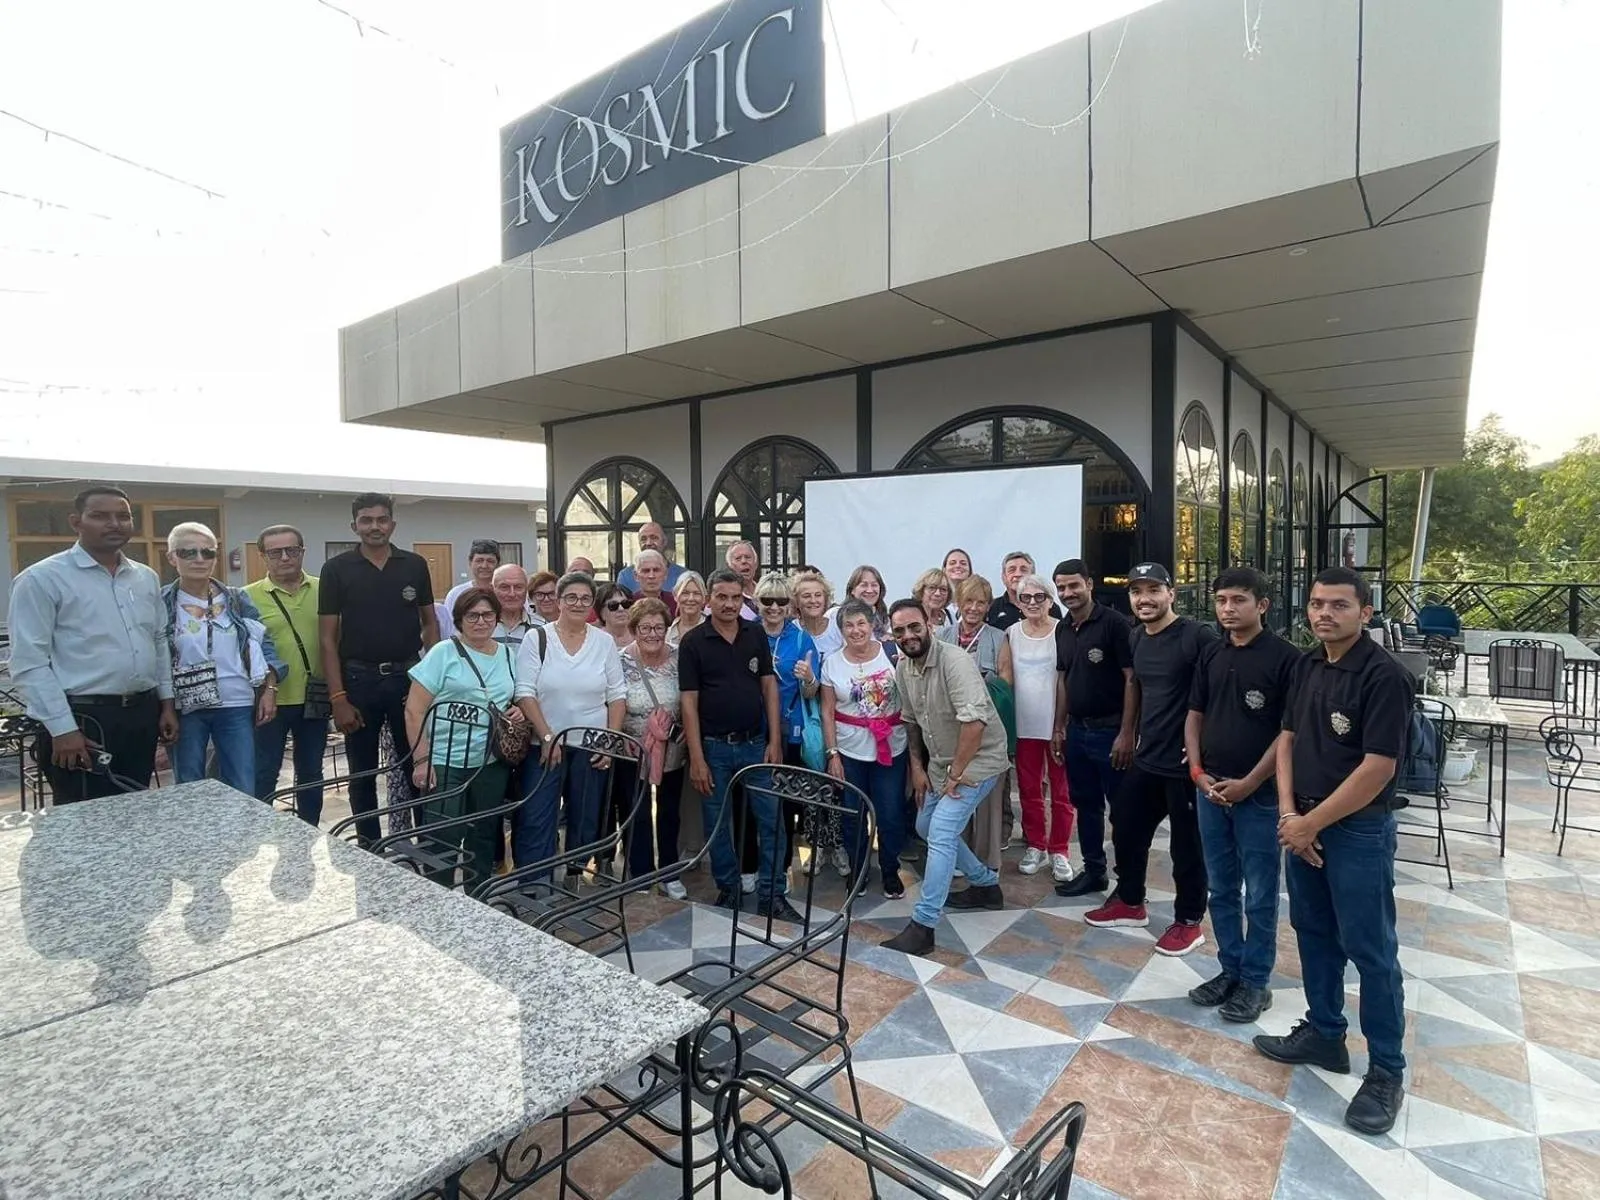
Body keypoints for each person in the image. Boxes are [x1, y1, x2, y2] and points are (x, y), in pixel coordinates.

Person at [1253, 567, 1414, 1137]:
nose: (1324, 613)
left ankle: (1387, 1072)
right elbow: (1289, 739)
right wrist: (1291, 813)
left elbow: (1379, 768)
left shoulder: (1383, 676)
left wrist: (1310, 822)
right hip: (1306, 822)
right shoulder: (1308, 664)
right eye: (1318, 604)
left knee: (1371, 950)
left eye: (1339, 605)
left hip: (1357, 832)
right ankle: (1325, 1033)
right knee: (1314, 933)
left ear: (1365, 613)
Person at [9, 485, 178, 802]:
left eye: (123, 516)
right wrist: (62, 729)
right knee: (83, 824)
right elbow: (29, 663)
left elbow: (157, 640)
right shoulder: (41, 580)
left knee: (136, 810)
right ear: (76, 522)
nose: (114, 524)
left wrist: (166, 703)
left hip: (140, 716)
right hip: (83, 721)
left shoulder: (145, 578)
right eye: (100, 516)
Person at [1183, 567, 1300, 1024]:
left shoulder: (1285, 659)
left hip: (1260, 795)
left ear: (1262, 605)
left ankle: (1256, 981)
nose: (1228, 609)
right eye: (1221, 600)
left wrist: (1251, 781)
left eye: (1238, 600)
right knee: (1222, 887)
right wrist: (1196, 771)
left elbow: (1288, 733)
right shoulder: (1212, 654)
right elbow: (1194, 716)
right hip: (1211, 790)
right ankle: (1229, 969)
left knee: (1261, 893)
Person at [1085, 563, 1217, 957]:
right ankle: (1130, 901)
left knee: (1186, 847)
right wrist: (1129, 732)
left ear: (1171, 593)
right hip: (1148, 756)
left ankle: (1189, 921)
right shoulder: (1138, 637)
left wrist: (1203, 745)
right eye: (1137, 591)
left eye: (1153, 590)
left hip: (1184, 764)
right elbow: (1138, 688)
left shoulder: (1198, 637)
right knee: (1125, 826)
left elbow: (1220, 689)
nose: (1144, 598)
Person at [881, 599, 1011, 956]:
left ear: (929, 625)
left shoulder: (955, 662)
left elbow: (975, 723)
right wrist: (918, 768)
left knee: (940, 833)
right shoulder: (904, 667)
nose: (908, 635)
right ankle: (986, 885)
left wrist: (956, 774)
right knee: (925, 826)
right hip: (940, 764)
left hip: (976, 763)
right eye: (900, 630)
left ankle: (923, 926)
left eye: (914, 627)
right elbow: (909, 720)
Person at [319, 492, 439, 844]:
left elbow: (430, 624)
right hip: (359, 681)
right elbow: (327, 639)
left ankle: (428, 846)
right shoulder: (336, 569)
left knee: (417, 764)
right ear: (354, 525)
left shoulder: (414, 565)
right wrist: (338, 697)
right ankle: (370, 848)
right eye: (367, 520)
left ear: (392, 523)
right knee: (362, 773)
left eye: (381, 519)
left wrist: (433, 676)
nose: (375, 526)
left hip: (409, 680)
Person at [679, 568, 795, 920]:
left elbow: (769, 688)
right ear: (709, 599)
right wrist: (696, 758)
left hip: (756, 745)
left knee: (772, 821)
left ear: (743, 598)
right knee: (719, 824)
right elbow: (688, 702)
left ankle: (771, 895)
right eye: (721, 597)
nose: (729, 604)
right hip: (713, 749)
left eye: (735, 597)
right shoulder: (693, 642)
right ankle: (728, 889)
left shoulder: (755, 632)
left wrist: (775, 740)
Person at [404, 586, 525, 889]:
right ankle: (438, 900)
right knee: (441, 836)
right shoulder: (443, 653)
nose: (481, 621)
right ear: (459, 619)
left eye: (487, 615)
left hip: (490, 762)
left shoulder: (508, 655)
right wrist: (421, 760)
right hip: (445, 761)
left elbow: (513, 698)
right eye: (473, 615)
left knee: (483, 833)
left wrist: (518, 711)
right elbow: (414, 710)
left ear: (496, 618)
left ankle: (477, 896)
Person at [512, 571, 627, 871]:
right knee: (537, 816)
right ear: (559, 601)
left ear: (592, 604)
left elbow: (617, 694)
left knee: (585, 818)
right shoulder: (536, 638)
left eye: (585, 598)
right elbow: (524, 691)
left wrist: (610, 741)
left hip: (591, 746)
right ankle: (535, 884)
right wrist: (547, 736)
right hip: (545, 746)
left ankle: (574, 878)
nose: (578, 603)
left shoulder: (603, 642)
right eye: (571, 597)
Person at [162, 522, 283, 794]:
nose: (199, 559)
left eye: (207, 552)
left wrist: (269, 690)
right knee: (190, 788)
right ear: (172, 557)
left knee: (242, 785)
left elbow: (264, 645)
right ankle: (196, 837)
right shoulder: (162, 603)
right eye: (188, 552)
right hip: (186, 707)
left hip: (236, 704)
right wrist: (163, 707)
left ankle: (240, 837)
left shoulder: (237, 600)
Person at [1051, 559, 1137, 899]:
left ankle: (1128, 881)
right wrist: (1059, 727)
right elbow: (1062, 679)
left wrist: (1127, 732)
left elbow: (1132, 679)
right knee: (1085, 805)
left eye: (1074, 585)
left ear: (1089, 583)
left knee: (1123, 809)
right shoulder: (1063, 628)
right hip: (1077, 733)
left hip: (1111, 732)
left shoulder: (1115, 624)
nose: (1067, 593)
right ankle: (1094, 871)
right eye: (1061, 588)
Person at [822, 599, 909, 898]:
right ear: (841, 629)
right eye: (849, 625)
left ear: (872, 624)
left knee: (890, 812)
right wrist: (832, 753)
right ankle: (858, 870)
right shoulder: (832, 662)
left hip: (891, 747)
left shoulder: (892, 654)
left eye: (861, 623)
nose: (856, 630)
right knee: (852, 813)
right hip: (850, 750)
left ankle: (889, 869)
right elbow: (827, 710)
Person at [246, 524, 330, 823]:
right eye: (275, 552)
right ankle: (261, 832)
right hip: (268, 702)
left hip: (314, 698)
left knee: (311, 772)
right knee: (265, 772)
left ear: (302, 552)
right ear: (263, 556)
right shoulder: (246, 597)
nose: (284, 557)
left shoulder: (325, 589)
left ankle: (308, 831)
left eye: (291, 550)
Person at [616, 599, 689, 900]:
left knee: (670, 811)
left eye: (658, 627)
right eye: (645, 627)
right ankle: (641, 871)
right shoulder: (620, 660)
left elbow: (690, 697)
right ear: (634, 629)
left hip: (672, 745)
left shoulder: (680, 657)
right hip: (630, 746)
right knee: (636, 811)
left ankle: (670, 871)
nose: (652, 633)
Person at [938, 574, 1011, 870]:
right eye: (968, 601)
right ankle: (959, 856)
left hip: (986, 726)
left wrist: (979, 684)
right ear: (958, 602)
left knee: (988, 798)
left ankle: (987, 859)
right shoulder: (943, 635)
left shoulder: (998, 636)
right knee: (956, 791)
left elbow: (1006, 680)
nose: (974, 608)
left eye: (981, 602)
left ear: (988, 606)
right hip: (950, 728)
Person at [1007, 573, 1074, 883]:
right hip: (1024, 726)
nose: (1033, 603)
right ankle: (1036, 845)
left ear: (1050, 599)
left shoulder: (1064, 631)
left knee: (1062, 792)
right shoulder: (1011, 634)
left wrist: (1063, 723)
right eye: (1026, 598)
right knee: (1029, 791)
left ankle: (1059, 849)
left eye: (1039, 597)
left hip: (1056, 726)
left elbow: (1071, 678)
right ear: (1018, 603)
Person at [439, 539, 502, 637]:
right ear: (470, 562)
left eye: (490, 561)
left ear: (498, 564)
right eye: (479, 560)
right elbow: (449, 629)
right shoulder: (456, 594)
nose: (484, 566)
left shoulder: (506, 593)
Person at [986, 551, 1061, 630]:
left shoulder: (1048, 607)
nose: (1018, 574)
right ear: (1003, 577)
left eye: (1023, 570)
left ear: (1033, 575)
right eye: (1012, 570)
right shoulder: (991, 608)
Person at [617, 522, 686, 593]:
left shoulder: (683, 575)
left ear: (664, 541)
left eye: (654, 538)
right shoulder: (625, 576)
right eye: (643, 539)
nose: (648, 543)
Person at [792, 570, 842, 661]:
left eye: (818, 595)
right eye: (806, 596)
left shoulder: (837, 626)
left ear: (825, 599)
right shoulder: (792, 629)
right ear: (796, 602)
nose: (813, 600)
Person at [490, 564, 536, 647]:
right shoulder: (480, 627)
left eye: (518, 587)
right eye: (504, 587)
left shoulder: (542, 628)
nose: (512, 594)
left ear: (526, 590)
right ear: (492, 589)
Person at [627, 550, 679, 618]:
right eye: (646, 571)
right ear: (636, 576)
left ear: (665, 574)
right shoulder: (628, 604)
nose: (651, 576)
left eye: (656, 570)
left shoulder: (676, 603)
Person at [667, 571, 707, 647]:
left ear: (704, 598)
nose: (691, 598)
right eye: (685, 593)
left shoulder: (713, 629)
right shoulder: (668, 632)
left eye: (696, 593)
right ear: (676, 596)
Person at [724, 541, 761, 619]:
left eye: (748, 557)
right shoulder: (723, 599)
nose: (744, 561)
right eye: (738, 558)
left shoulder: (766, 593)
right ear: (729, 567)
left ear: (756, 564)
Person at [594, 581, 635, 648]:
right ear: (602, 613)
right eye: (613, 605)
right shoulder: (594, 640)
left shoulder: (642, 636)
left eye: (625, 604)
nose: (621, 609)